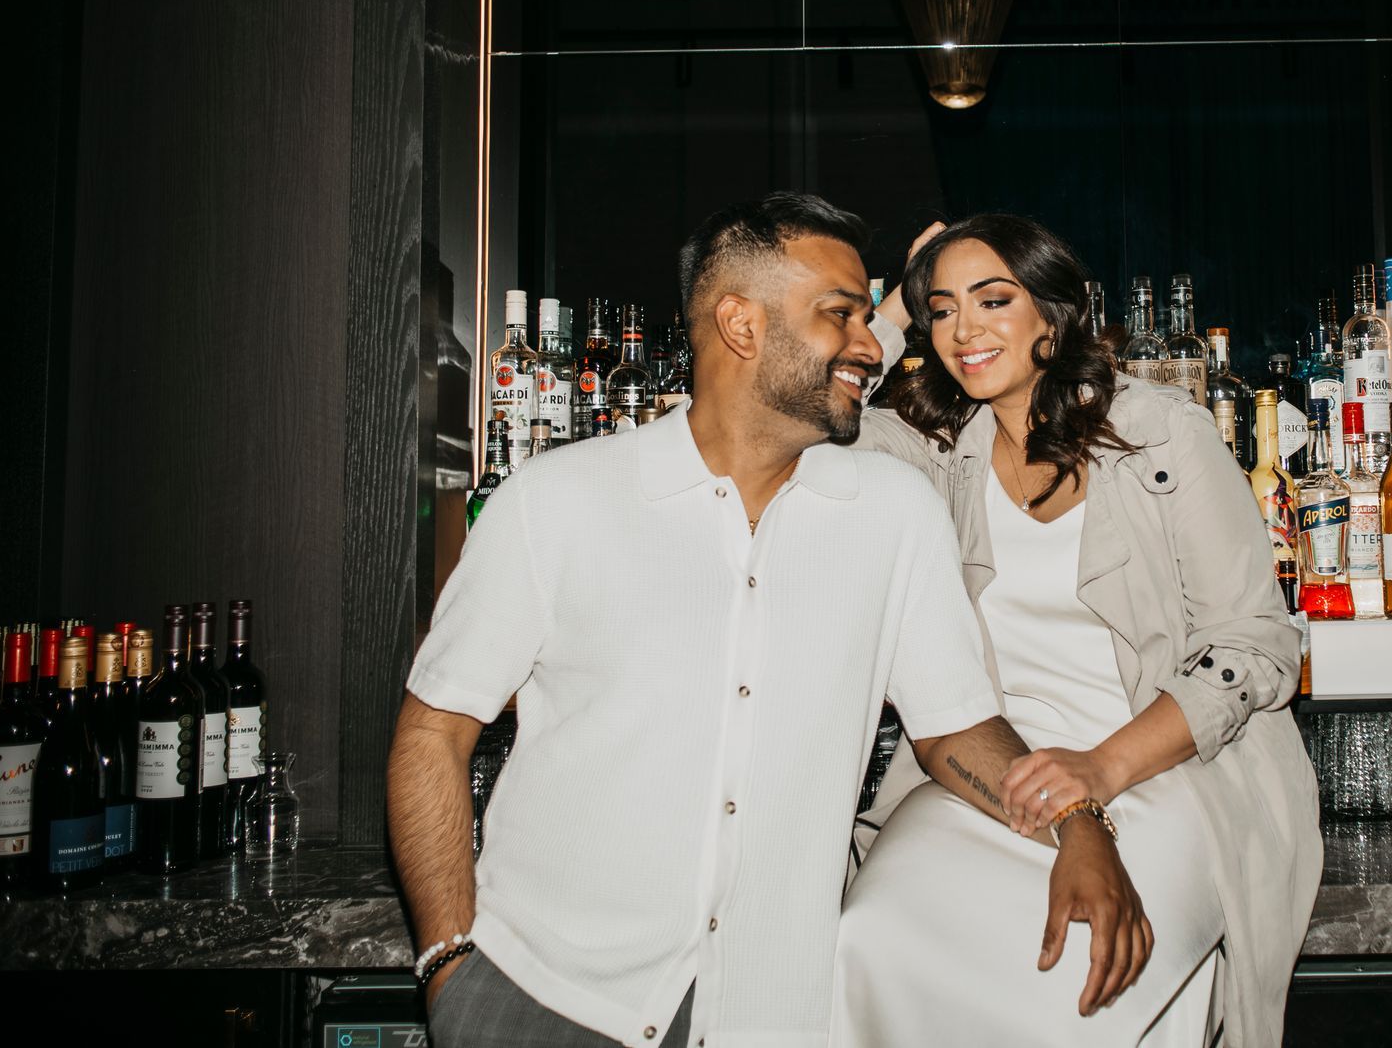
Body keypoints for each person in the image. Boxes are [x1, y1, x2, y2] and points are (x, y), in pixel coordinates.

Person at [387, 194, 1150, 1048]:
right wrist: (450, 968)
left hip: (770, 1015)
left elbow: (955, 731)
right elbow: (432, 734)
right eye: (842, 315)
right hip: (541, 999)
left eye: (871, 316)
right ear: (740, 325)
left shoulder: (893, 514)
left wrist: (1078, 823)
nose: (871, 345)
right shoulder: (557, 502)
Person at [833, 214, 1323, 1047]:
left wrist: (1096, 771)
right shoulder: (938, 447)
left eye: (993, 300)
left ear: (1053, 316)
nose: (965, 330)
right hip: (992, 777)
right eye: (944, 311)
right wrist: (890, 313)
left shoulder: (1162, 432)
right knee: (869, 935)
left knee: (1077, 982)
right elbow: (786, 424)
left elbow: (1253, 645)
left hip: (1163, 768)